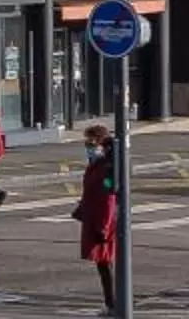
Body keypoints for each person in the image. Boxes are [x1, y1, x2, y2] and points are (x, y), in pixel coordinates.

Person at [74, 122, 119, 311]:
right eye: (86, 144)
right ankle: (111, 302)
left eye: (91, 144)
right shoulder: (95, 165)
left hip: (102, 223)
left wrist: (104, 227)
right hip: (94, 219)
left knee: (105, 263)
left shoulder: (105, 168)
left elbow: (109, 199)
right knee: (103, 264)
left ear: (102, 145)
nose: (88, 148)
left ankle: (113, 304)